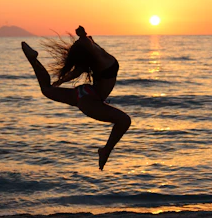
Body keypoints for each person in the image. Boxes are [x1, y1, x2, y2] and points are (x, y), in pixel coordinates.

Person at [21, 26, 131, 170]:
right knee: (124, 121)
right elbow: (87, 42)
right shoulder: (100, 56)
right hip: (90, 99)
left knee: (47, 90)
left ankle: (33, 60)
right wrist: (82, 35)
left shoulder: (94, 54)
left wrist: (61, 81)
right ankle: (106, 150)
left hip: (84, 92)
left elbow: (84, 51)